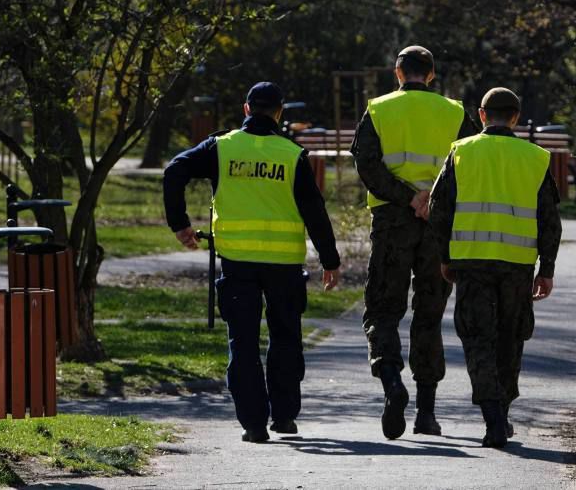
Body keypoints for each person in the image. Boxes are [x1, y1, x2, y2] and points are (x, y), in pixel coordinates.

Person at [162, 82, 341, 443]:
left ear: (246, 109)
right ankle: (285, 417)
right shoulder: (292, 155)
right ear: (279, 113)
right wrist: (330, 259)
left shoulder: (221, 147)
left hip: (237, 262)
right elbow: (314, 211)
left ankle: (254, 424)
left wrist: (180, 224)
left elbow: (174, 171)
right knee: (286, 339)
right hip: (284, 265)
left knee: (242, 342)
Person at [351, 45, 479, 439]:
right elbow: (469, 164)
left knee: (383, 310)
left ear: (397, 72)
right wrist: (432, 200)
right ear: (433, 74)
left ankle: (392, 383)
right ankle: (426, 412)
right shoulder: (455, 113)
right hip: (437, 226)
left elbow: (367, 164)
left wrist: (407, 197)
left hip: (393, 221)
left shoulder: (378, 109)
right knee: (428, 315)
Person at [428, 87, 562, 448]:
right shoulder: (536, 158)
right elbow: (550, 219)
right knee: (510, 338)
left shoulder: (461, 152)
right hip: (517, 266)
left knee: (478, 339)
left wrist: (445, 257)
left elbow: (439, 208)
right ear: (516, 117)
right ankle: (502, 410)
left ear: (482, 115)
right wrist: (546, 268)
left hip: (471, 263)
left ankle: (493, 418)